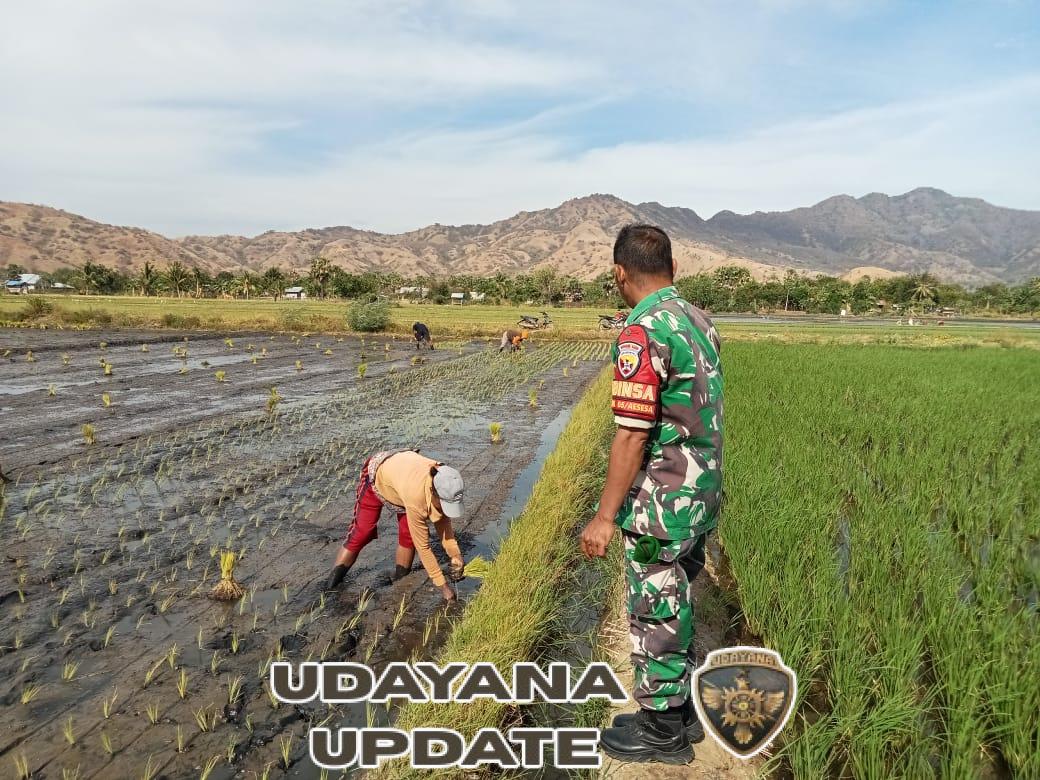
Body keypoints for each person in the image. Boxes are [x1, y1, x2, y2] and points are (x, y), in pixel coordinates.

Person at [581, 224, 723, 765]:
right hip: (699, 495)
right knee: (678, 595)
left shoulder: (642, 333)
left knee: (654, 608)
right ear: (673, 268)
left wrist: (604, 516)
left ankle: (661, 730)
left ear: (619, 273)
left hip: (662, 503)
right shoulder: (697, 319)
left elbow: (632, 434)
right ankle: (679, 712)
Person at [326, 450, 466, 602]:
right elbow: (423, 548)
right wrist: (444, 587)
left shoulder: (446, 479)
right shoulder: (417, 496)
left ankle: (400, 580)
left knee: (408, 536)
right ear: (433, 492)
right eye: (444, 504)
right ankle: (330, 587)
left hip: (403, 482)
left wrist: (456, 555)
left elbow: (444, 525)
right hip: (378, 475)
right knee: (362, 533)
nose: (445, 508)